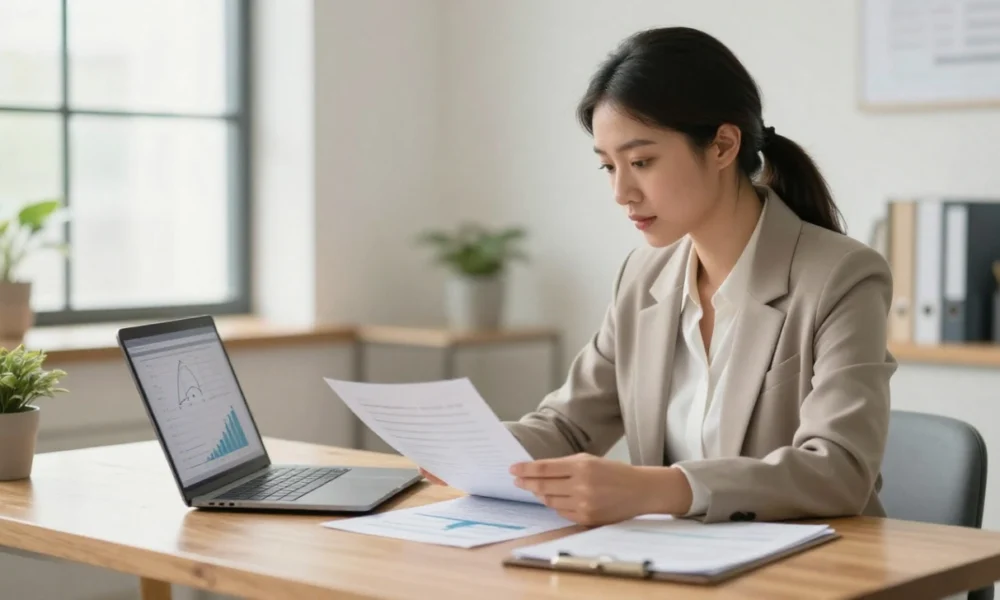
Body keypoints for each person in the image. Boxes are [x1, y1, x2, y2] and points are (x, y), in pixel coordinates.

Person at [422, 26, 896, 526]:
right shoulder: (642, 278)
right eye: (609, 167)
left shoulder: (841, 277)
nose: (621, 192)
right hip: (676, 559)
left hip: (815, 561)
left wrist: (658, 489)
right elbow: (569, 427)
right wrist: (473, 449)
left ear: (723, 146)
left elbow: (839, 470)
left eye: (642, 162)